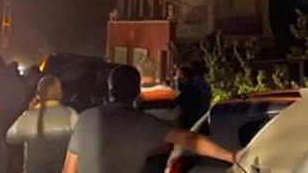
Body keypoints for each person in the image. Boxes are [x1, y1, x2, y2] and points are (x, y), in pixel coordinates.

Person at [62, 65, 235, 173]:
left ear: (109, 90)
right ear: (138, 93)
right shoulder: (144, 124)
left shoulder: (85, 118)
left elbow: (68, 170)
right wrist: (232, 155)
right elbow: (190, 138)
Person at [7, 75, 78, 173]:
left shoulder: (30, 117)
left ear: (38, 94)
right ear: (60, 92)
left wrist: (28, 112)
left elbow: (10, 137)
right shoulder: (71, 114)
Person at [0, 57, 27, 173]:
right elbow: (22, 98)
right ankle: (13, 169)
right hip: (14, 115)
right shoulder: (17, 79)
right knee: (13, 146)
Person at [173, 65, 210, 131]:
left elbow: (177, 102)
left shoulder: (189, 88)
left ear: (183, 76)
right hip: (200, 120)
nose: (176, 77)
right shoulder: (197, 85)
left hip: (191, 121)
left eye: (178, 75)